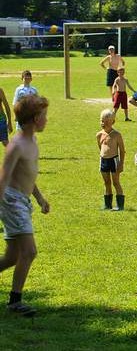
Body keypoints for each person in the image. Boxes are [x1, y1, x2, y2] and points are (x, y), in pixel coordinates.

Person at [0, 95, 50, 316]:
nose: (47, 120)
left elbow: (27, 175)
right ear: (35, 118)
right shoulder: (16, 145)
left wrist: (39, 197)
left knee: (12, 257)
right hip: (11, 201)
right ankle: (14, 302)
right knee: (29, 252)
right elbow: (3, 178)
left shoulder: (32, 141)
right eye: (44, 116)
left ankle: (14, 300)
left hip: (23, 200)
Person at [96, 109, 125, 211]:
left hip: (114, 161)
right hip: (103, 161)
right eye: (102, 121)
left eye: (107, 121)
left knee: (116, 182)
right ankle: (107, 204)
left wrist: (121, 164)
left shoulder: (117, 135)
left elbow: (122, 150)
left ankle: (120, 205)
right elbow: (101, 147)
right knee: (106, 182)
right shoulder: (99, 135)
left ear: (113, 122)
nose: (103, 123)